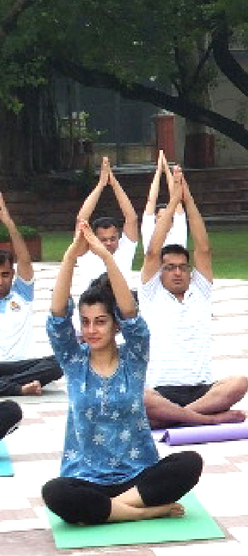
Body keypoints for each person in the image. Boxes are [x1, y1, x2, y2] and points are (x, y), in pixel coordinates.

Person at [41, 222, 202, 525]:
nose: (91, 330)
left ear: (115, 325)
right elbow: (57, 314)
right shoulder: (74, 362)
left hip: (137, 477)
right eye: (86, 322)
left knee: (189, 463)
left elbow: (130, 313)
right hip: (85, 478)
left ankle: (109, 510)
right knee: (55, 492)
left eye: (100, 321)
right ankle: (144, 512)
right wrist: (70, 256)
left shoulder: (134, 358)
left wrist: (105, 256)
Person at [140, 166, 248, 428]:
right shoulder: (150, 294)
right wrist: (174, 200)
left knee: (239, 383)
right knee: (138, 396)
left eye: (182, 267)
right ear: (161, 272)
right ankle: (205, 419)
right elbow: (153, 252)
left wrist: (187, 198)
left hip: (201, 390)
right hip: (161, 390)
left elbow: (203, 247)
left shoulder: (200, 292)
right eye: (169, 268)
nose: (177, 273)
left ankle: (182, 418)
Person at [0, 191, 62, 396]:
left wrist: (8, 222)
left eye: (5, 274)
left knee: (59, 362)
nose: (1, 281)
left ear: (13, 274)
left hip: (25, 365)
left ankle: (8, 385)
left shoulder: (22, 295)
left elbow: (25, 260)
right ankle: (18, 388)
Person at [75, 157, 139, 289]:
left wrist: (114, 183)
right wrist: (100, 185)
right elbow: (82, 219)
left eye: (112, 238)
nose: (109, 243)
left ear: (118, 237)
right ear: (93, 239)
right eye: (103, 240)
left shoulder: (125, 250)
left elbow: (131, 218)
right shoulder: (85, 253)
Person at [140, 150, 188, 252]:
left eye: (167, 217)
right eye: (160, 218)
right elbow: (151, 201)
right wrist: (158, 171)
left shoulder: (178, 231)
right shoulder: (150, 232)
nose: (163, 220)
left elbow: (176, 199)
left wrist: (166, 169)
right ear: (155, 220)